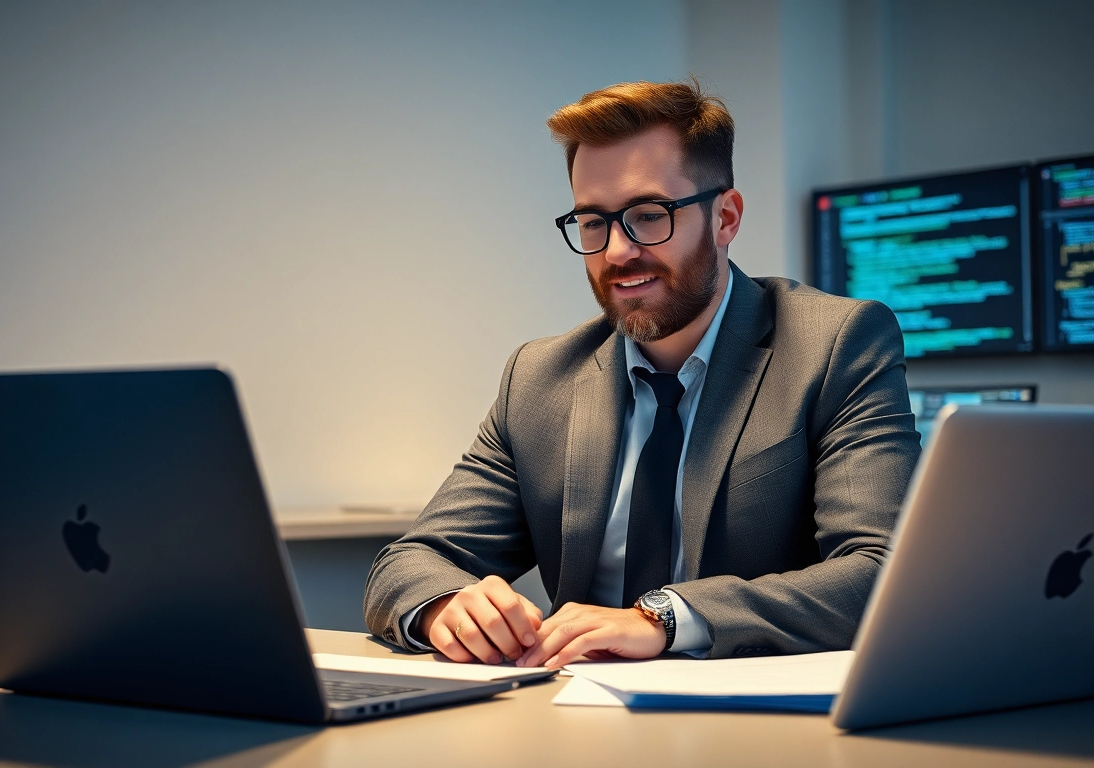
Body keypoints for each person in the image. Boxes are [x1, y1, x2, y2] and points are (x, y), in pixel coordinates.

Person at [363, 80, 920, 669]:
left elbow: (881, 572)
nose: (615, 252)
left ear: (725, 218)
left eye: (648, 216)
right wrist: (447, 606)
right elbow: (408, 562)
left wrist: (665, 619)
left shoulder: (834, 344)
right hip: (567, 717)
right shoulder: (539, 378)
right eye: (592, 222)